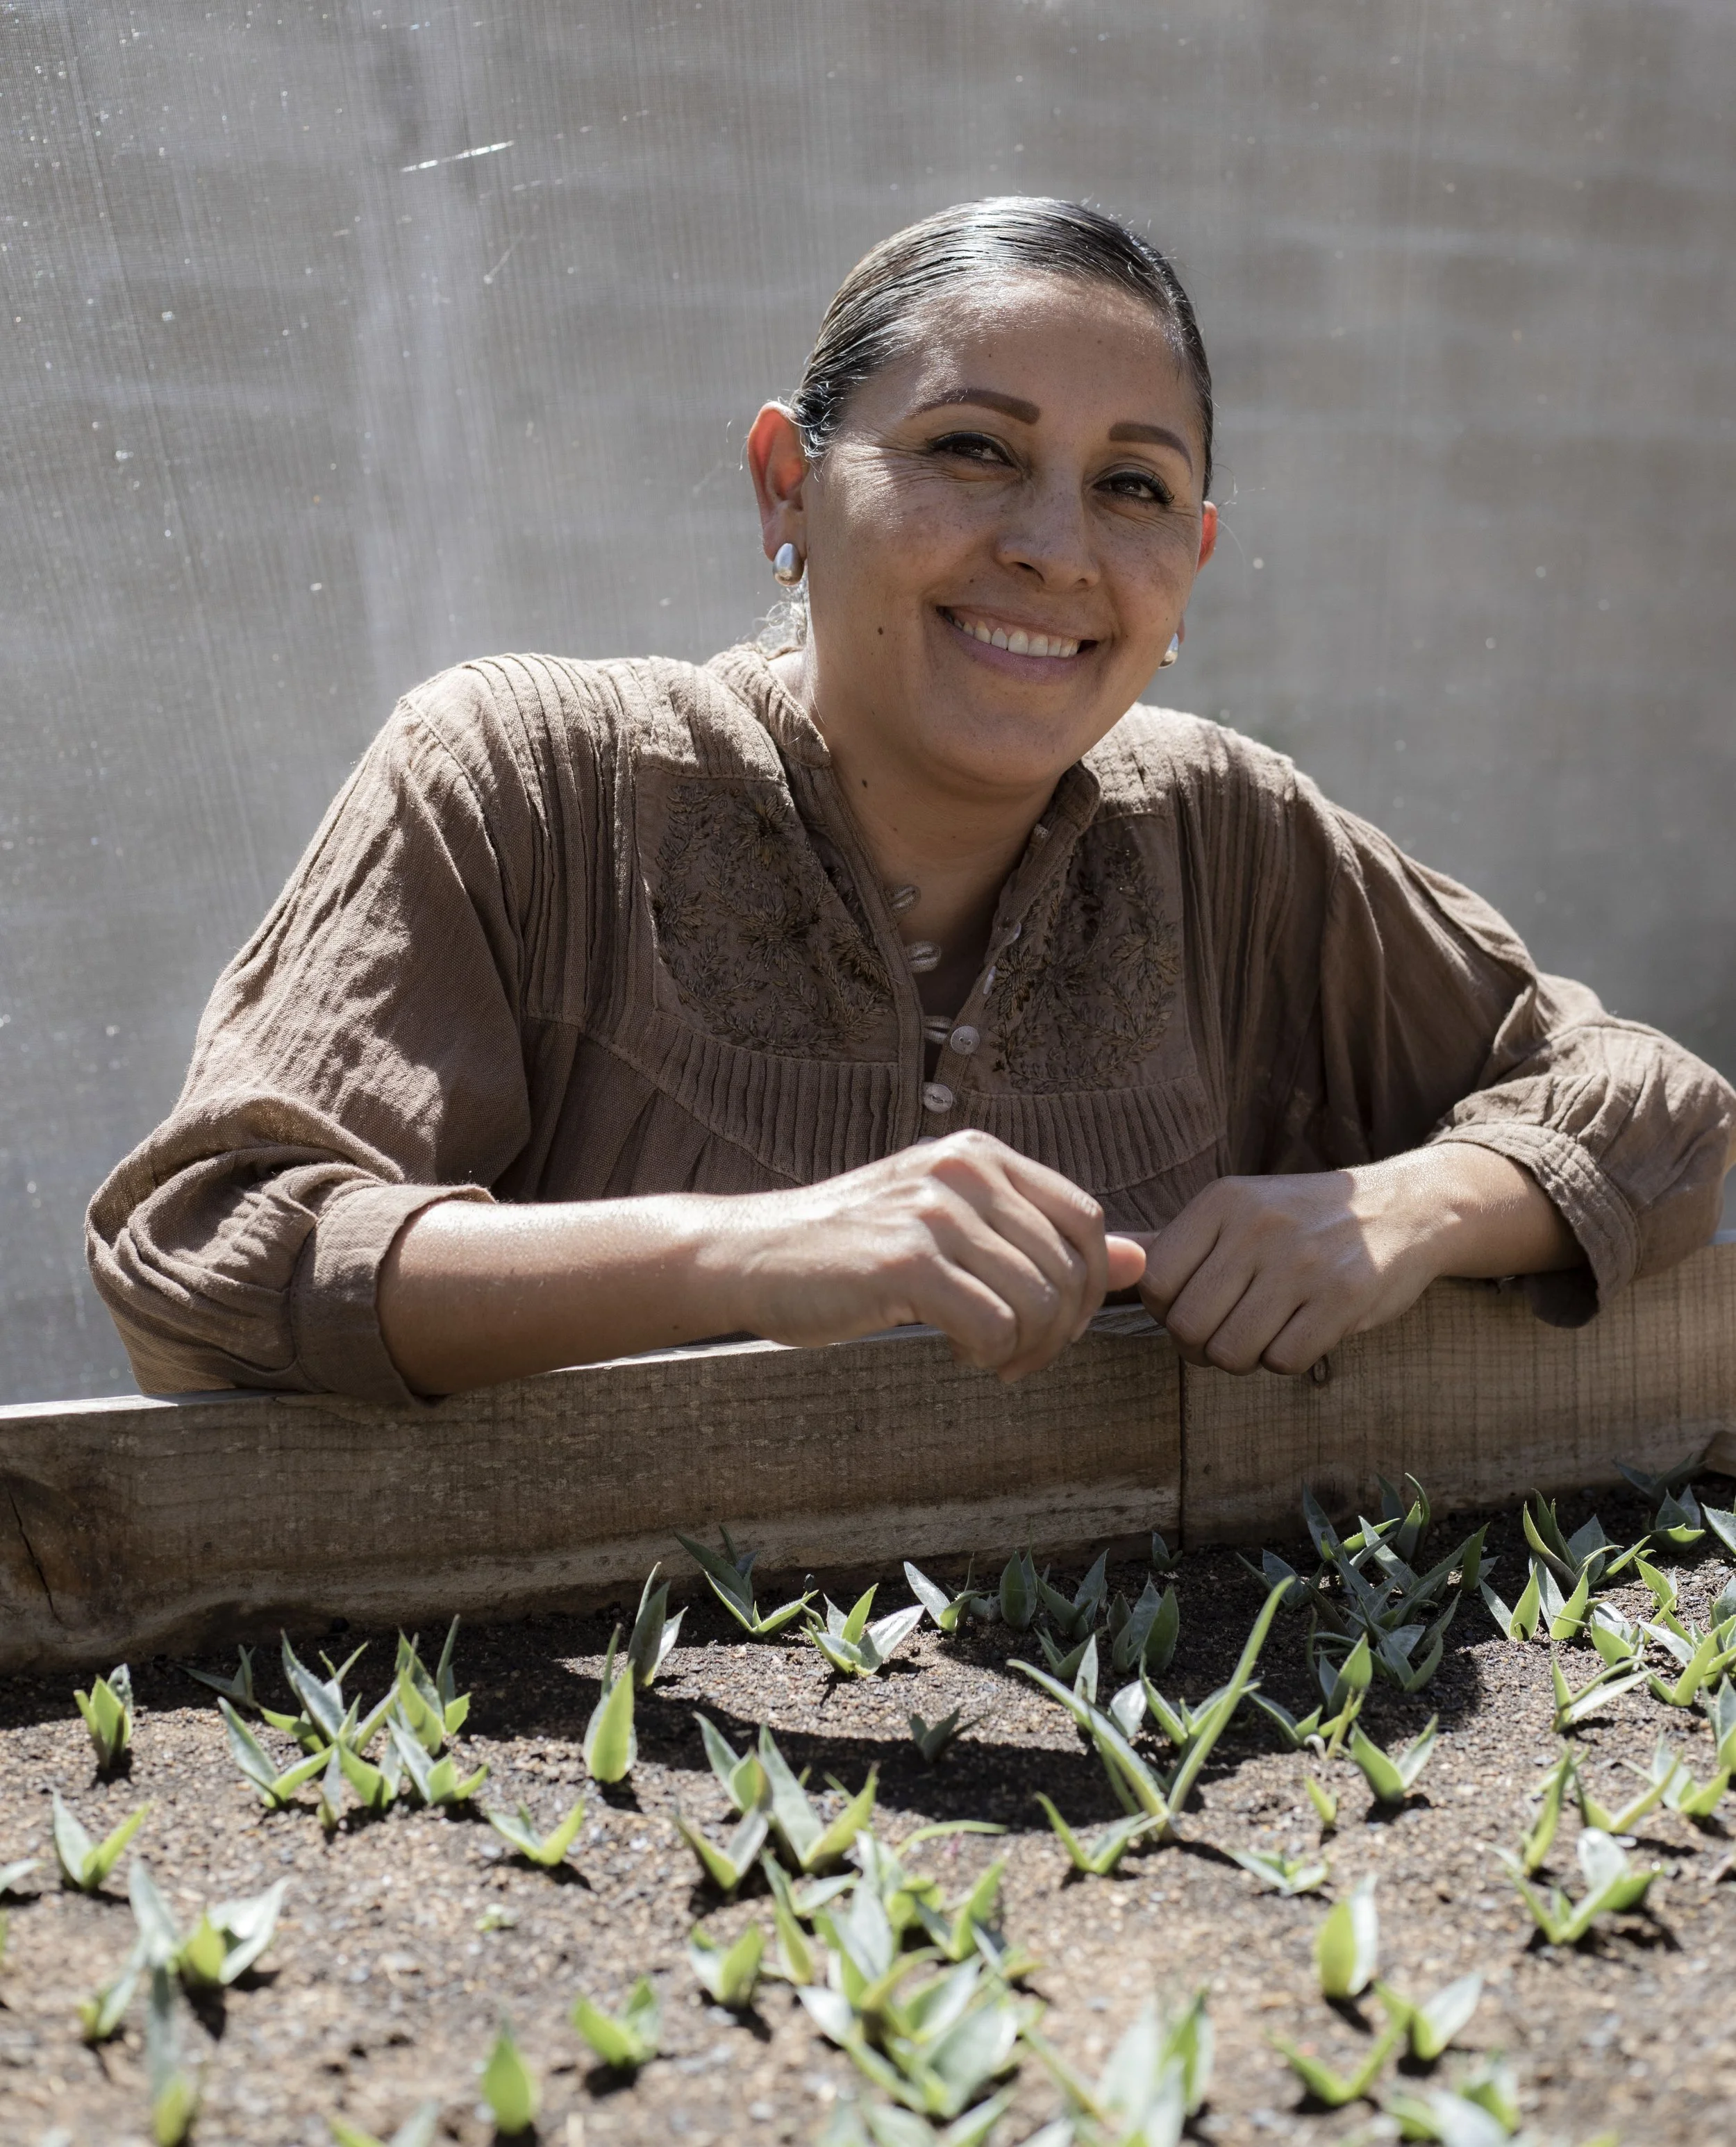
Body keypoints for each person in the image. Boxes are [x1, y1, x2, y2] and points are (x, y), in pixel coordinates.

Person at [88, 198, 1735, 1406]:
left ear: (1192, 565)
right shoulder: (527, 780)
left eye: (1132, 488)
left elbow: (1647, 1108)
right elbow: (205, 1258)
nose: (1053, 547)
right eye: (967, 449)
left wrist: (1404, 1210)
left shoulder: (1220, 836)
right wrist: (753, 1254)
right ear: (784, 485)